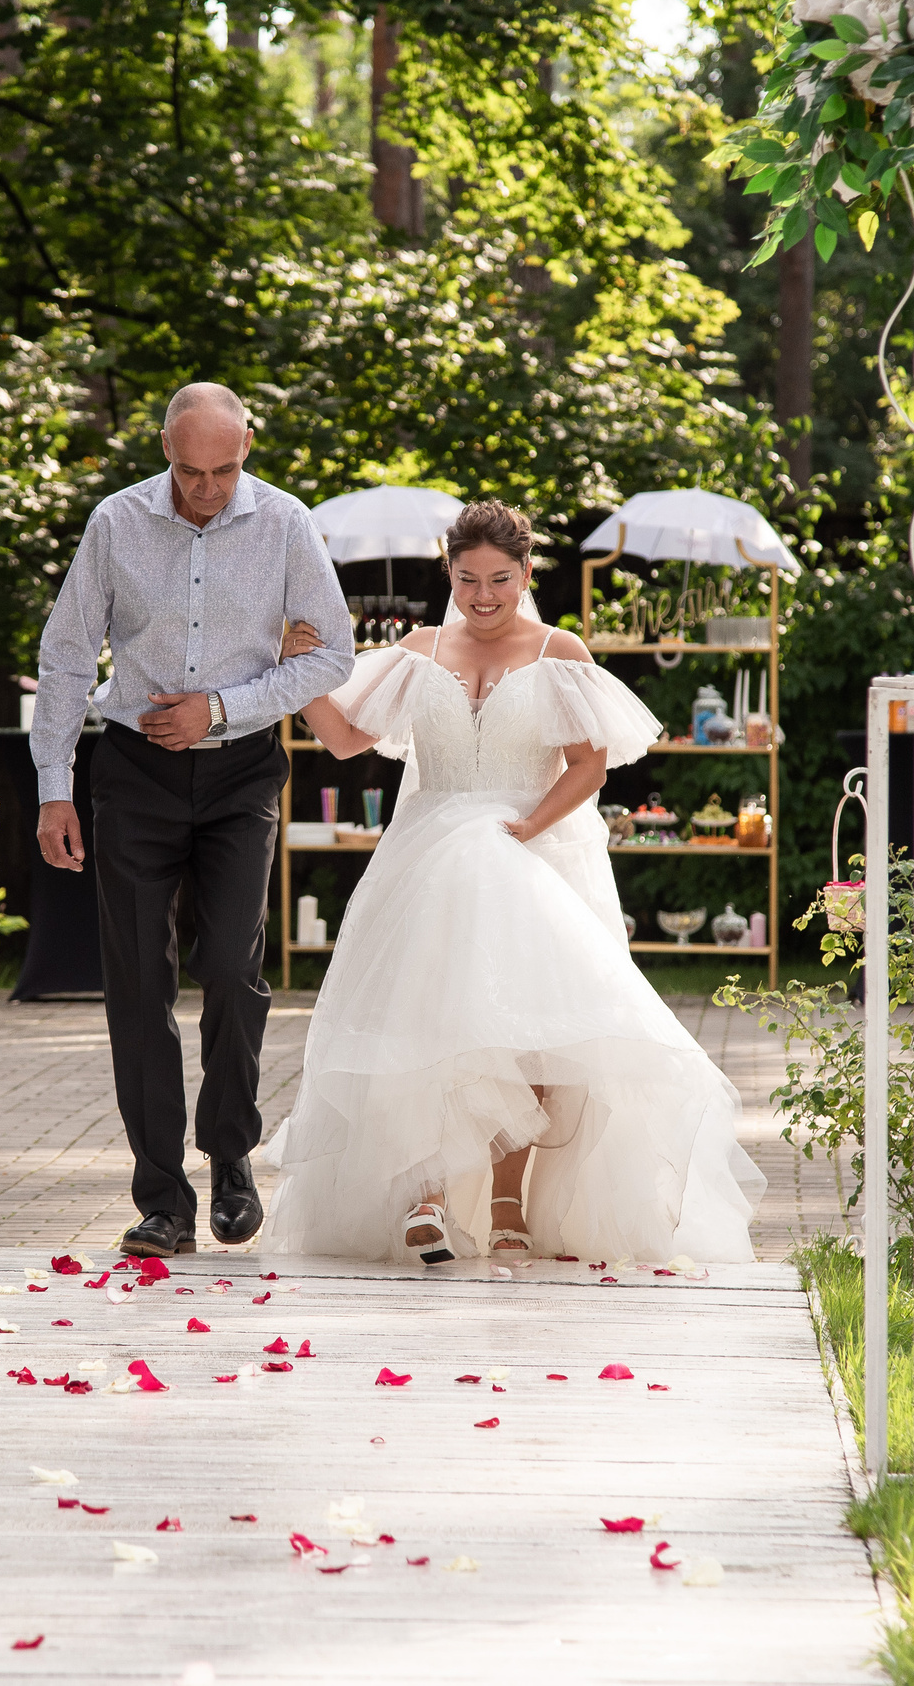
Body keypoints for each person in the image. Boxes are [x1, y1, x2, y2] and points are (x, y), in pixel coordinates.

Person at [259, 500, 764, 1264]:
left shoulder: (559, 649)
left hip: (530, 849)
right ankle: (426, 1194)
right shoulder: (418, 648)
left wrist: (530, 827)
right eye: (468, 579)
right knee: (429, 1022)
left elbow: (590, 764)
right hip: (430, 859)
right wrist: (300, 673)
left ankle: (507, 1201)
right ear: (448, 573)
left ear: (526, 574)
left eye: (500, 578)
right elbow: (342, 738)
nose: (484, 595)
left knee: (531, 1035)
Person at [30, 383, 355, 1259]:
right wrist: (53, 787)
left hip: (242, 770)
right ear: (164, 446)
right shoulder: (116, 522)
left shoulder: (286, 523)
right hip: (131, 773)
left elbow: (334, 648)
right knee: (137, 984)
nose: (205, 488)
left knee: (231, 969)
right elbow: (65, 655)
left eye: (224, 468)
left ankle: (231, 1153)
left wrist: (218, 708)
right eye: (188, 469)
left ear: (248, 442)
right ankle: (163, 1198)